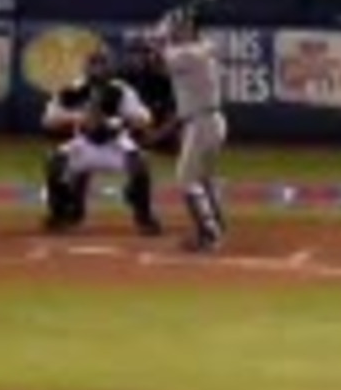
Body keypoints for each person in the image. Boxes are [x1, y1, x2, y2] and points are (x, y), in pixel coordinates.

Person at [40, 49, 162, 236]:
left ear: (109, 67)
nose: (97, 69)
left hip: (114, 143)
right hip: (84, 143)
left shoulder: (119, 90)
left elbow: (145, 118)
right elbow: (48, 120)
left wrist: (118, 121)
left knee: (140, 164)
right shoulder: (75, 90)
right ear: (86, 67)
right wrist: (78, 118)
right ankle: (62, 211)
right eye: (93, 64)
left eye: (102, 64)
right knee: (54, 162)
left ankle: (144, 216)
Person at [145, 14, 228, 252]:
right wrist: (160, 40)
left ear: (193, 31)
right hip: (208, 121)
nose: (178, 32)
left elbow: (158, 62)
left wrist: (157, 38)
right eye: (178, 28)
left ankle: (209, 234)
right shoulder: (199, 49)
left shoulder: (189, 54)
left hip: (201, 122)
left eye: (183, 28)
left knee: (186, 178)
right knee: (202, 177)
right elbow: (160, 69)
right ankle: (216, 225)